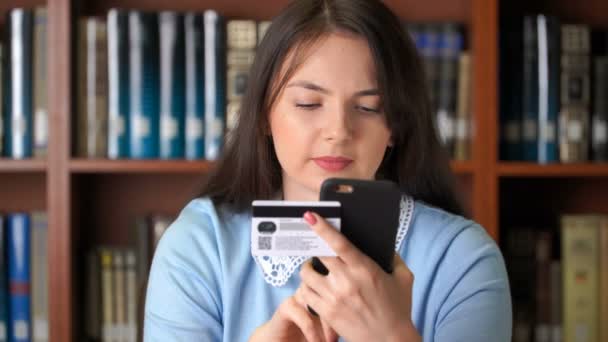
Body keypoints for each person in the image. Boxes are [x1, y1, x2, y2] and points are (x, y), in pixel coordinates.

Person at [144, 0, 512, 341]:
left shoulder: (462, 258)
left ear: (396, 127)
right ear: (263, 116)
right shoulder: (199, 246)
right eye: (308, 103)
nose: (338, 130)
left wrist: (391, 335)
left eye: (368, 107)